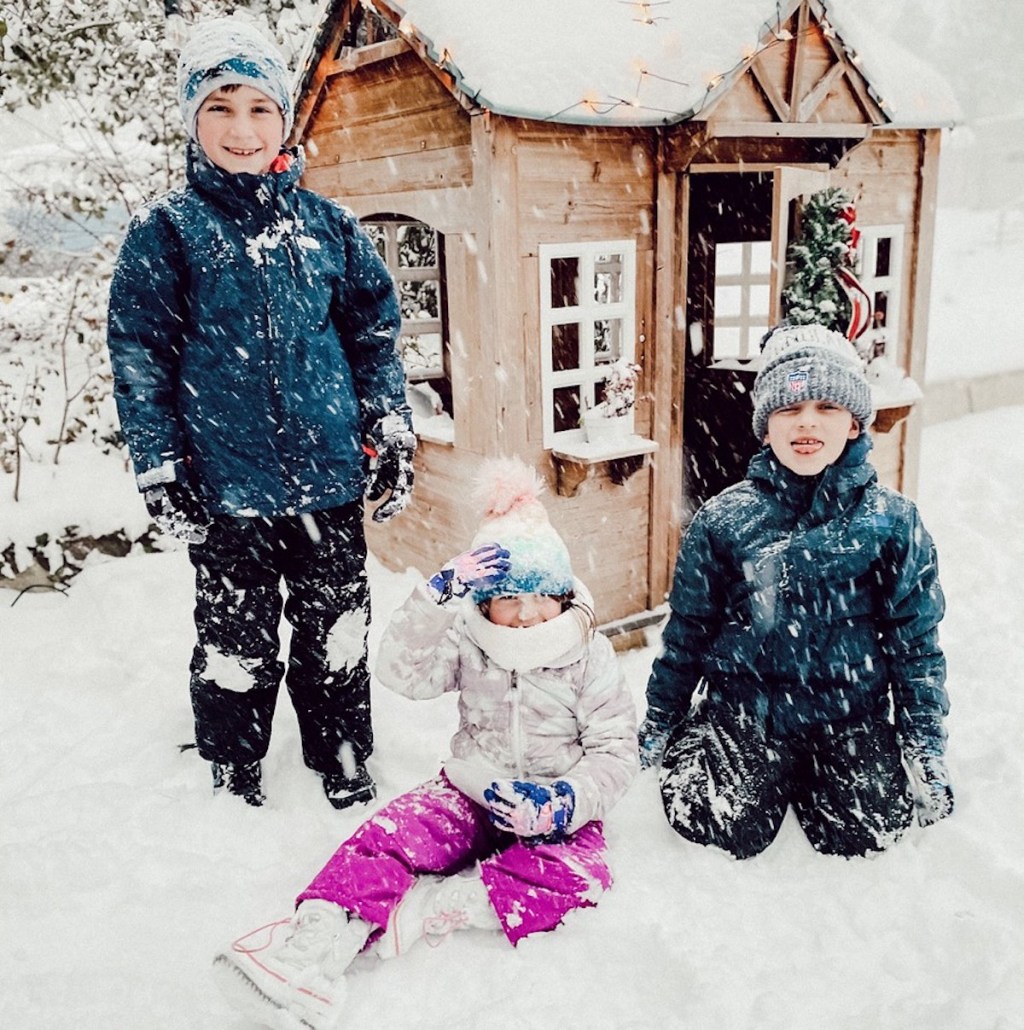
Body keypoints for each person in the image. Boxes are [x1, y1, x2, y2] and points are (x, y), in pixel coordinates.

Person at [105, 18, 415, 810]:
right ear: (192, 121)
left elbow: (373, 336)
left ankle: (340, 753)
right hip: (227, 490)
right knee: (233, 643)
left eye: (258, 108)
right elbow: (141, 357)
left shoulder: (326, 228)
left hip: (329, 484)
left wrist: (389, 423)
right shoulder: (167, 232)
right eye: (220, 108)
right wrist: (159, 463)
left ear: (284, 118)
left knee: (336, 634)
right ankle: (235, 760)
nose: (241, 130)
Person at [211, 458, 639, 1030]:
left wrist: (563, 800)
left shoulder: (589, 657)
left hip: (553, 806)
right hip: (470, 789)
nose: (526, 614)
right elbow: (401, 673)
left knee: (581, 876)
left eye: (541, 595)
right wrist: (433, 602)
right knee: (386, 836)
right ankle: (314, 945)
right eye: (508, 598)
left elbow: (615, 752)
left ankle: (443, 907)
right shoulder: (470, 639)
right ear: (483, 602)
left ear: (563, 595)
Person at [638, 323, 952, 859]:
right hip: (748, 711)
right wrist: (661, 720)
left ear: (854, 423)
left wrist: (923, 743)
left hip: (848, 713)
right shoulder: (723, 519)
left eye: (827, 407)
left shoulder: (892, 522)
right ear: (765, 428)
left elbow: (915, 644)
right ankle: (711, 745)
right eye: (789, 409)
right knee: (716, 828)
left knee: (871, 833)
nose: (807, 422)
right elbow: (689, 632)